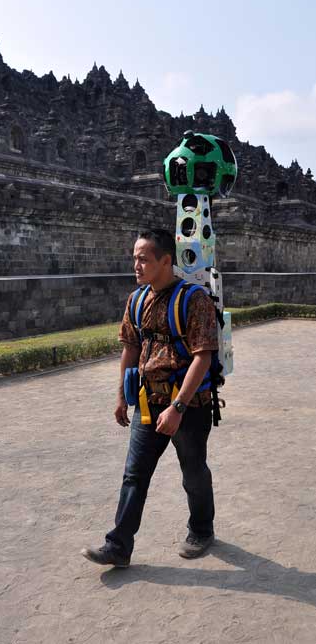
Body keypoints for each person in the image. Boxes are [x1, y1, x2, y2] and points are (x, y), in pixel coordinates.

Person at [81, 228, 219, 568]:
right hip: (147, 401)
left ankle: (201, 529)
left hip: (187, 405)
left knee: (193, 472)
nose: (137, 265)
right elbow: (130, 347)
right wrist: (120, 396)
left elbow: (202, 357)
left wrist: (177, 407)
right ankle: (119, 546)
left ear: (166, 261)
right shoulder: (137, 299)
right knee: (135, 474)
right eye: (135, 259)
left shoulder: (194, 300)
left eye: (144, 259)